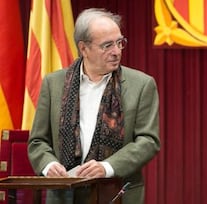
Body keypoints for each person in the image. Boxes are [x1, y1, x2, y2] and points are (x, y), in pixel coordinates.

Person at [27, 8, 160, 204]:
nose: (116, 51)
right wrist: (49, 165)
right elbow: (37, 141)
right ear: (84, 48)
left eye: (119, 42)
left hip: (115, 193)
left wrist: (106, 167)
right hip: (63, 195)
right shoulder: (53, 83)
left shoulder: (141, 85)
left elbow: (148, 141)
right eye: (107, 45)